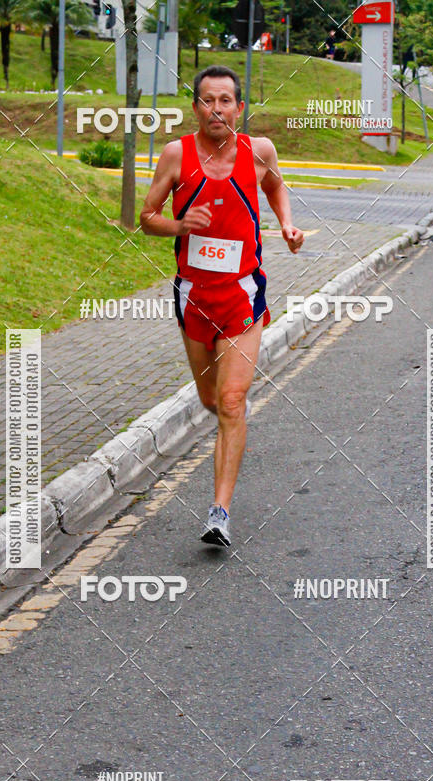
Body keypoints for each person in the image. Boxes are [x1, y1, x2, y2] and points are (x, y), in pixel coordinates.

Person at [140, 65, 304, 547]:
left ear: (240, 107)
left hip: (241, 294)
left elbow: (276, 186)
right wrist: (179, 226)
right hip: (193, 295)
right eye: (208, 101)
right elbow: (146, 217)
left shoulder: (259, 151)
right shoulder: (176, 154)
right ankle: (232, 413)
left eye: (225, 100)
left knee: (230, 401)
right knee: (211, 400)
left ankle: (219, 513)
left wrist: (287, 225)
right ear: (196, 108)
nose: (217, 109)